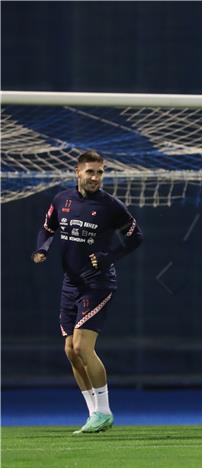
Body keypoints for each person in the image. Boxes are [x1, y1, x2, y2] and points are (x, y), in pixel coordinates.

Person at [32, 150, 144, 434]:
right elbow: (47, 229)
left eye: (100, 172)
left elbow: (136, 236)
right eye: (90, 172)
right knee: (71, 351)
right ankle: (94, 413)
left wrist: (110, 256)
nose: (95, 177)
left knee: (83, 346)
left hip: (98, 282)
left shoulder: (110, 206)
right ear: (77, 172)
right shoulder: (62, 200)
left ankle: (105, 412)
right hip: (70, 283)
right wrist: (42, 249)